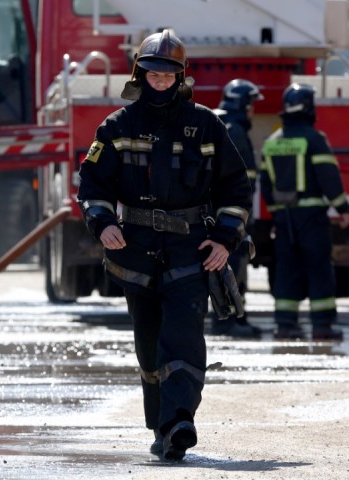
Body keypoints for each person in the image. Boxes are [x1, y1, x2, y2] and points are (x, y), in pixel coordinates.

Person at [77, 30, 252, 460]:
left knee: (183, 335)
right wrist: (101, 223)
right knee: (149, 342)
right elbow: (93, 184)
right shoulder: (117, 126)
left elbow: (235, 187)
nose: (161, 79)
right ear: (141, 71)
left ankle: (180, 421)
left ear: (181, 76)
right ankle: (161, 426)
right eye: (154, 71)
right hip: (135, 250)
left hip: (191, 250)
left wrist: (225, 239)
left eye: (169, 72)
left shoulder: (207, 124)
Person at [260, 83, 349, 341]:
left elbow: (266, 185)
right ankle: (322, 326)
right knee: (319, 268)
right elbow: (328, 178)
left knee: (287, 269)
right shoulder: (314, 139)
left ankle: (285, 325)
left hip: (284, 218)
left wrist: (277, 214)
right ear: (310, 108)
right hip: (311, 218)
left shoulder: (272, 142)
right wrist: (343, 209)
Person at [210, 79, 264, 338]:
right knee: (231, 266)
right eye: (251, 104)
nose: (253, 110)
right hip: (230, 214)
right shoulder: (235, 130)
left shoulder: (221, 124)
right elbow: (242, 180)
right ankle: (227, 321)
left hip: (222, 212)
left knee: (232, 265)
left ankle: (235, 318)